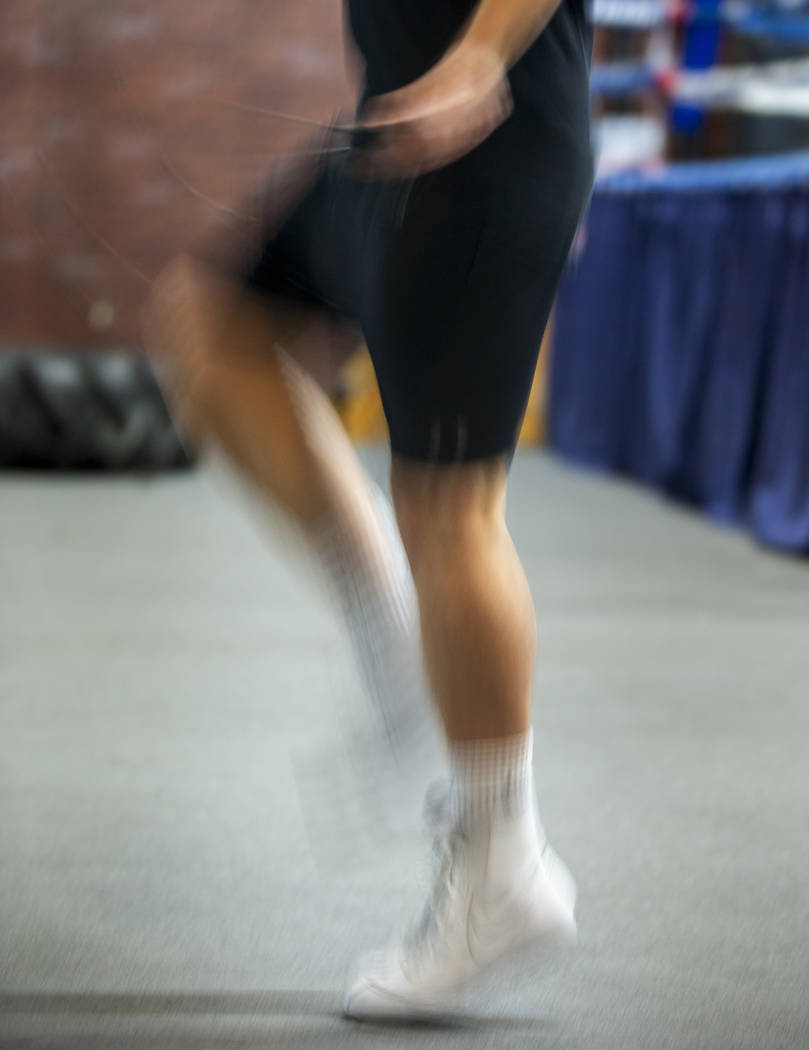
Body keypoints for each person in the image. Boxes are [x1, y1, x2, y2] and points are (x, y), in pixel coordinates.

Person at [145, 0, 593, 1022]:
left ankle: (501, 868)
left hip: (485, 138)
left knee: (448, 503)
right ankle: (392, 630)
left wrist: (478, 56)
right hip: (395, 129)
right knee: (214, 336)